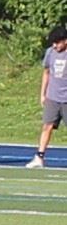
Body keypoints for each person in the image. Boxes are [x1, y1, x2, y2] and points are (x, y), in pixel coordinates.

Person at [25, 25, 67, 167]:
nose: (55, 46)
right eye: (53, 43)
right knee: (47, 127)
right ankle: (39, 157)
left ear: (65, 41)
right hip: (53, 97)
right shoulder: (50, 52)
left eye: (58, 43)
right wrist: (43, 94)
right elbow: (46, 73)